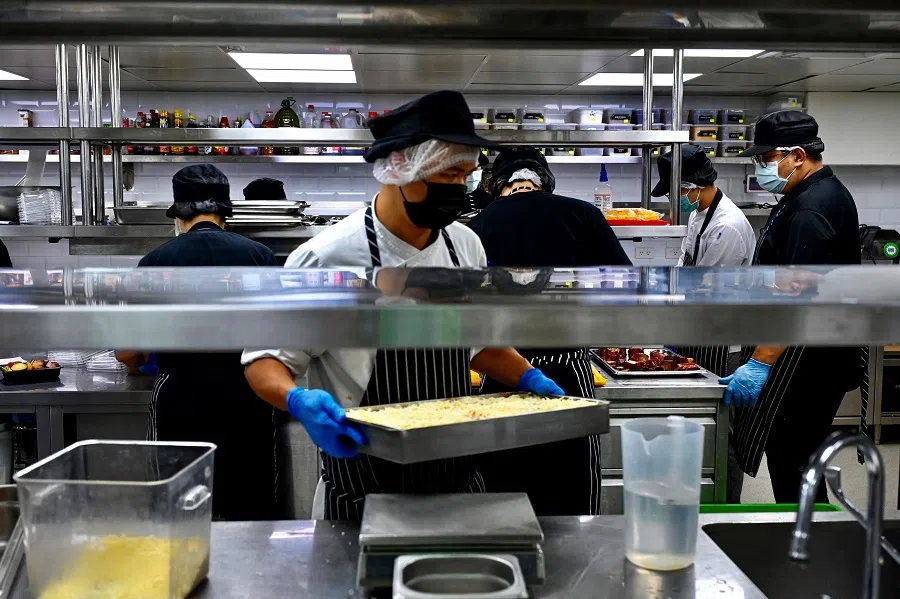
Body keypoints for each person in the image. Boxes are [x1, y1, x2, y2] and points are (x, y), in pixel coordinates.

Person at [241, 91, 566, 521]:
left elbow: (474, 343)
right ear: (399, 169)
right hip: (362, 490)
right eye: (448, 174)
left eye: (465, 176)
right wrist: (298, 399)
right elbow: (264, 361)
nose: (458, 189)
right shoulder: (328, 257)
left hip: (458, 484)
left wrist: (527, 375)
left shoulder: (464, 245)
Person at [466, 147, 630, 515]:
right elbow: (624, 286)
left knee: (502, 488)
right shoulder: (582, 214)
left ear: (496, 185)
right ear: (546, 182)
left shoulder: (476, 226)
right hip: (566, 368)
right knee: (571, 485)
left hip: (499, 366)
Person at [117, 164, 281, 521]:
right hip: (248, 396)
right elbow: (280, 336)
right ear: (225, 211)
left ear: (179, 213)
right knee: (249, 507)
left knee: (181, 508)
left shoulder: (154, 262)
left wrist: (135, 366)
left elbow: (128, 350)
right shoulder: (260, 256)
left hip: (182, 399)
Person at [723, 110, 861, 503]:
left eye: (766, 159)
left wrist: (761, 362)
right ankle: (803, 539)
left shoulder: (810, 209)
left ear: (797, 155)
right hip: (803, 352)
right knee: (792, 460)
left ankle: (808, 547)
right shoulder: (804, 194)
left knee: (794, 461)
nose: (762, 167)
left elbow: (796, 297)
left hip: (806, 362)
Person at [652, 144, 755, 269]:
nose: (673, 198)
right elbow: (686, 256)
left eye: (676, 192)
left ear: (695, 185)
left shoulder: (726, 227)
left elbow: (711, 282)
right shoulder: (696, 212)